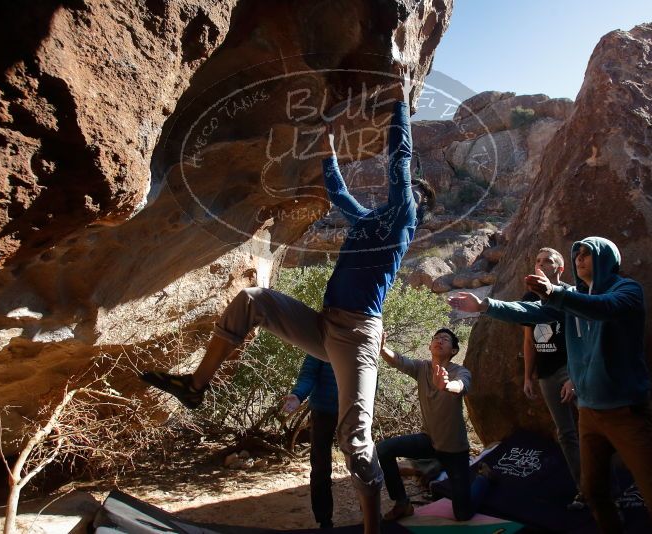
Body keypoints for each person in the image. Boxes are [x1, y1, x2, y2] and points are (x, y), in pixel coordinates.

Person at [141, 69, 436, 534]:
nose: (410, 196)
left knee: (355, 441)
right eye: (413, 195)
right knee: (250, 299)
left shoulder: (402, 221)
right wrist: (327, 141)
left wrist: (400, 105)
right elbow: (338, 191)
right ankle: (195, 386)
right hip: (325, 325)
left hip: (358, 335)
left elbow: (401, 161)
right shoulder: (365, 221)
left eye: (419, 198)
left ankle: (372, 527)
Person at [448, 237, 652, 533]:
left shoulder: (627, 290)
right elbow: (532, 313)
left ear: (607, 259)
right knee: (594, 492)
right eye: (577, 254)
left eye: (587, 254)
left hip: (626, 412)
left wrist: (555, 293)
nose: (580, 259)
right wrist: (485, 304)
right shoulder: (570, 297)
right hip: (589, 414)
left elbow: (604, 308)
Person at [377, 328, 493, 522]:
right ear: (430, 346)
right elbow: (398, 360)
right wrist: (381, 348)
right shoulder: (421, 368)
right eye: (436, 338)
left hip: (455, 451)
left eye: (445, 339)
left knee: (463, 514)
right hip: (429, 441)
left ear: (454, 350)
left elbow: (461, 386)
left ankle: (485, 478)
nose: (439, 340)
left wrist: (446, 385)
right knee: (383, 449)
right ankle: (402, 503)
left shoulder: (460, 371)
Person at [521, 247, 584, 510]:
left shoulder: (570, 295)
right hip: (546, 374)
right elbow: (528, 339)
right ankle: (584, 490)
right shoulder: (529, 298)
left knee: (593, 429)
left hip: (571, 370)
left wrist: (575, 376)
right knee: (566, 433)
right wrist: (528, 376)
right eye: (538, 261)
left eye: (548, 261)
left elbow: (582, 338)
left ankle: (605, 486)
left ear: (559, 268)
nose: (542, 264)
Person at [282, 355, 339, 530]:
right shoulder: (320, 340)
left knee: (360, 463)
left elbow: (370, 374)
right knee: (321, 465)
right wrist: (298, 395)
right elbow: (309, 374)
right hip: (323, 411)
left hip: (354, 411)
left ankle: (369, 514)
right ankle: (324, 520)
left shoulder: (361, 337)